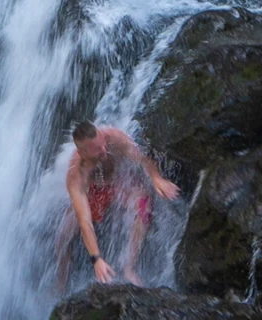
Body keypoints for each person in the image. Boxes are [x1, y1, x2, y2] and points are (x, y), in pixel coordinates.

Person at [57, 118, 181, 290]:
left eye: (103, 145)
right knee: (64, 234)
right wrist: (96, 259)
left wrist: (157, 178)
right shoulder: (76, 175)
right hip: (94, 191)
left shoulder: (114, 138)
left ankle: (129, 268)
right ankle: (60, 283)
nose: (104, 151)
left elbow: (144, 160)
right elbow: (84, 221)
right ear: (83, 153)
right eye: (97, 150)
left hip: (119, 183)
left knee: (143, 205)